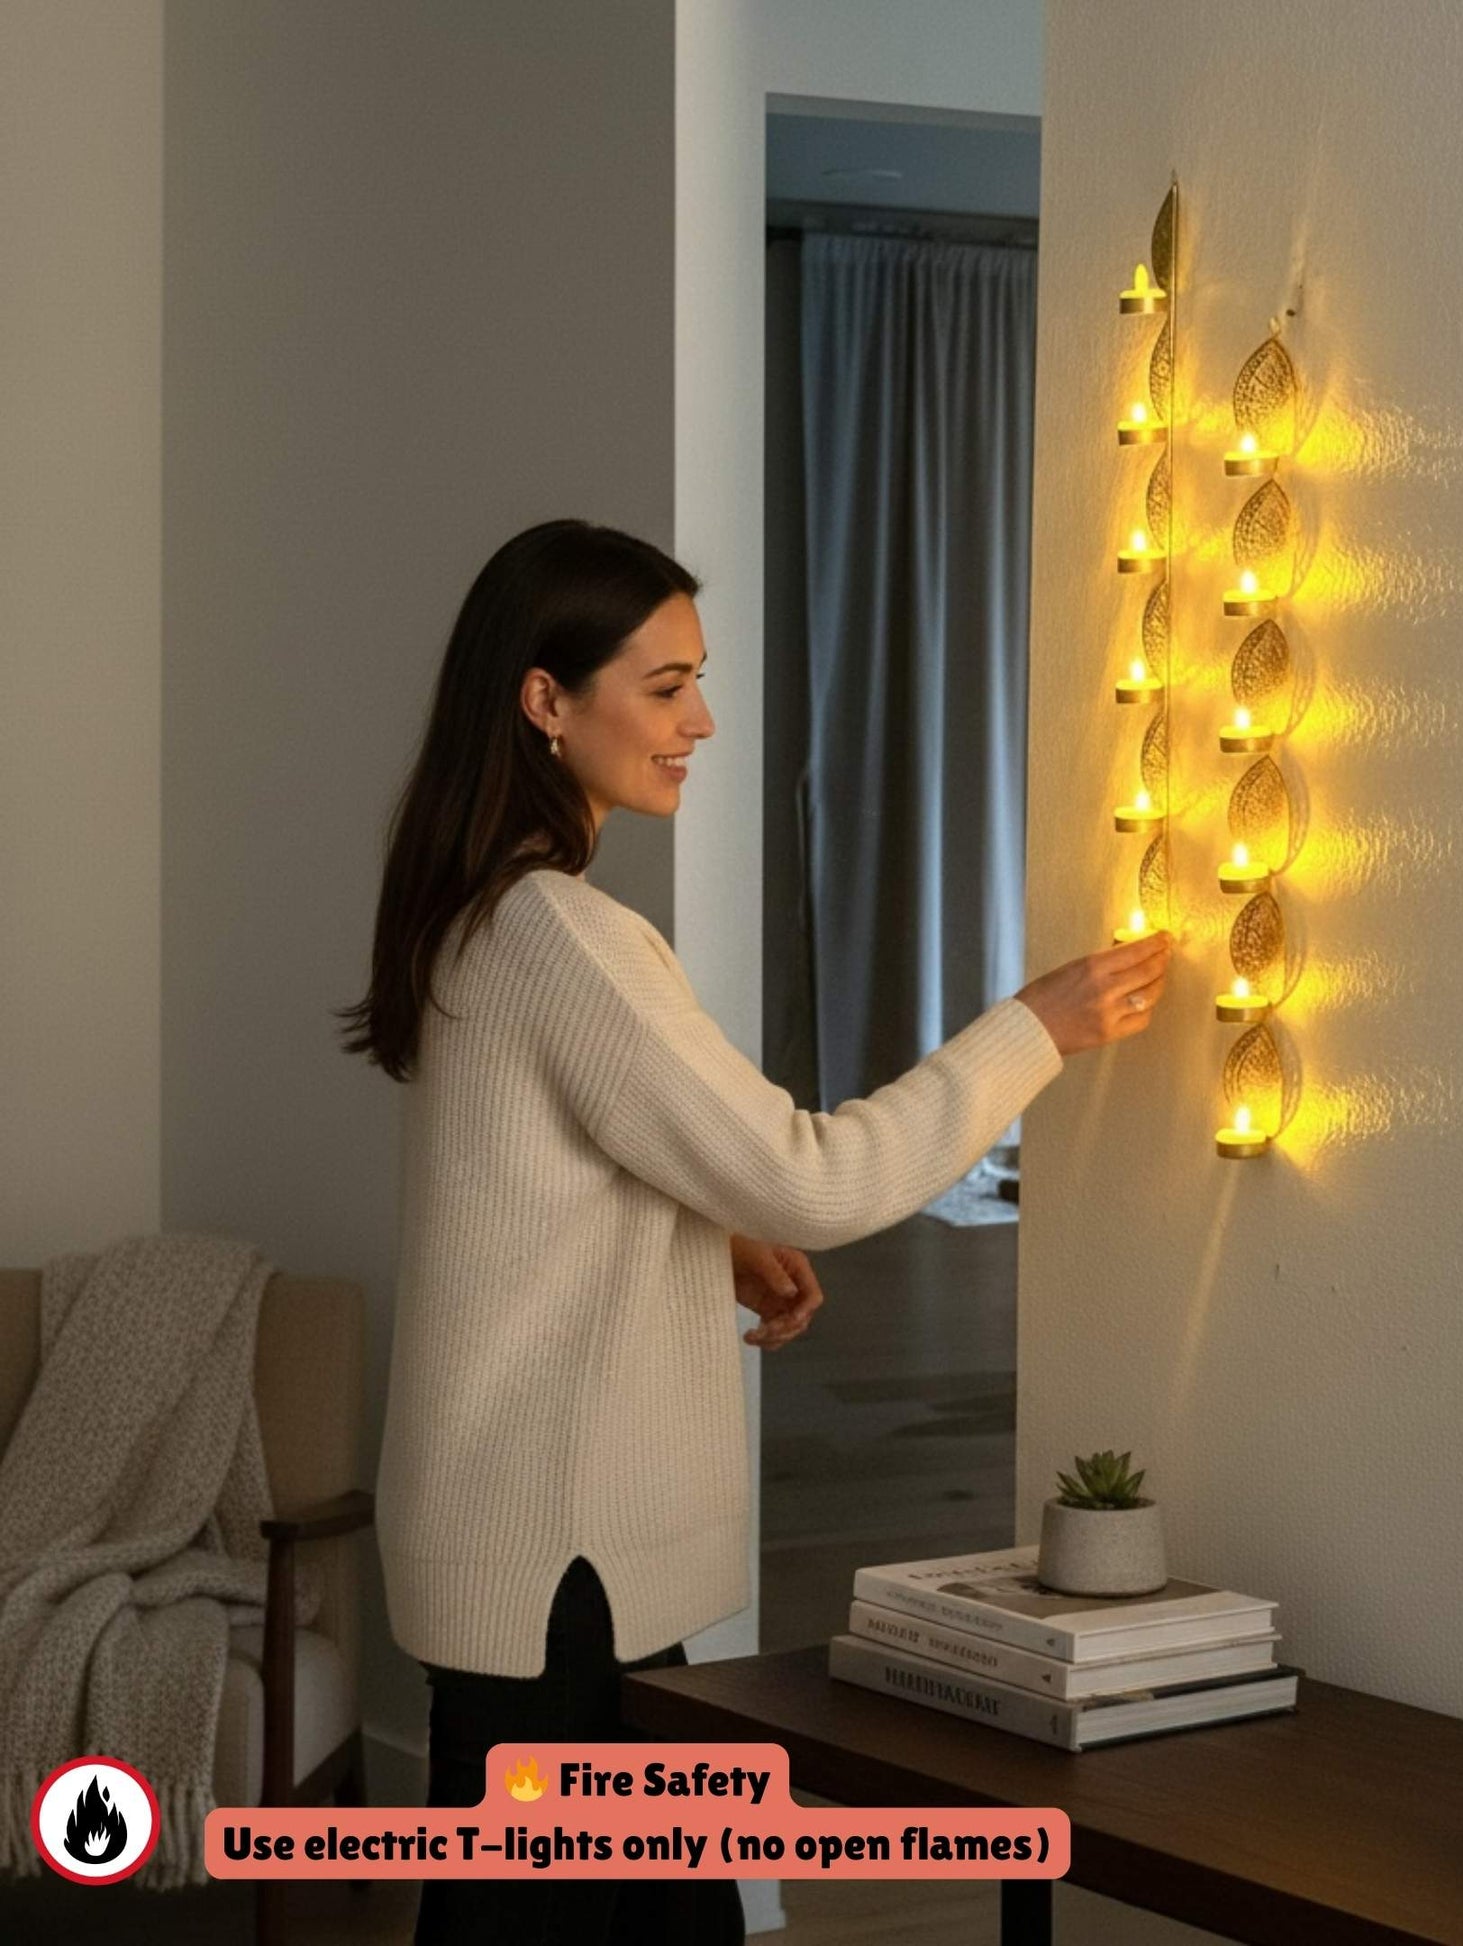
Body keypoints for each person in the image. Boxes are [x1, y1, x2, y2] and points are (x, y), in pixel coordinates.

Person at [338, 518, 1172, 1943]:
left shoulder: (480, 921)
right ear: (547, 700)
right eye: (663, 687)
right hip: (564, 1578)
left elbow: (516, 1190)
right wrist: (1037, 1025)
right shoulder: (565, 939)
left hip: (520, 1560)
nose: (701, 720)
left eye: (696, 681)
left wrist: (698, 1233)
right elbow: (819, 1176)